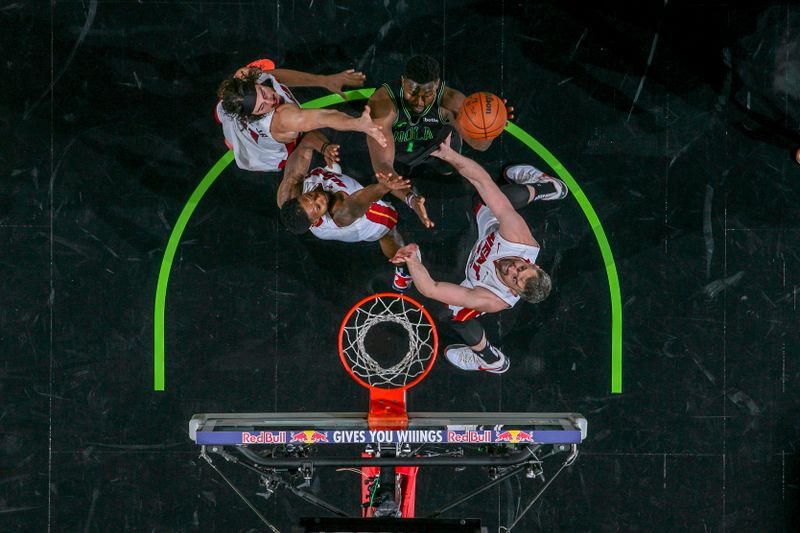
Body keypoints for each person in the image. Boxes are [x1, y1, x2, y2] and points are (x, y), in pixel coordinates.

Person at [390, 136, 568, 373]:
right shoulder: (519, 239)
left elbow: (430, 288)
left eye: (514, 279)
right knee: (498, 199)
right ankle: (547, 187)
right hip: (487, 229)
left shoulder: (492, 298)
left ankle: (489, 358)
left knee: (452, 313)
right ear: (532, 264)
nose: (511, 269)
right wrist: (451, 156)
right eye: (521, 268)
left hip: (472, 275)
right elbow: (482, 181)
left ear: (513, 290)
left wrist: (413, 261)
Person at [367, 54, 512, 228]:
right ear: (403, 80)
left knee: (447, 171)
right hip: (402, 149)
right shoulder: (383, 104)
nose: (419, 102)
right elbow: (382, 163)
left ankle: (442, 167)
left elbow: (480, 146)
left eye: (427, 95)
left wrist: (490, 128)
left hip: (441, 146)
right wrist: (410, 198)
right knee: (399, 173)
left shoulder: (451, 102)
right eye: (412, 92)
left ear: (436, 85)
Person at [276, 137, 414, 291]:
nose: (319, 197)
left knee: (327, 175)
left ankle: (332, 176)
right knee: (387, 232)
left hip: (338, 193)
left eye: (310, 196)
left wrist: (324, 147)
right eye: (317, 206)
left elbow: (308, 140)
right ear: (315, 221)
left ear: (299, 196)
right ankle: (404, 268)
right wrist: (383, 187)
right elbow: (360, 201)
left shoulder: (288, 194)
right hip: (361, 219)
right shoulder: (341, 213)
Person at [215, 59, 387, 172]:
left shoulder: (244, 75)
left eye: (263, 92)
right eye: (262, 107)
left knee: (224, 105)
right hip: (265, 155)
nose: (271, 101)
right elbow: (325, 117)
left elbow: (275, 76)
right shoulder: (284, 119)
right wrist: (357, 123)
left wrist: (323, 80)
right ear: (252, 115)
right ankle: (232, 143)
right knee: (239, 144)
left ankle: (228, 128)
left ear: (254, 82)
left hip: (240, 119)